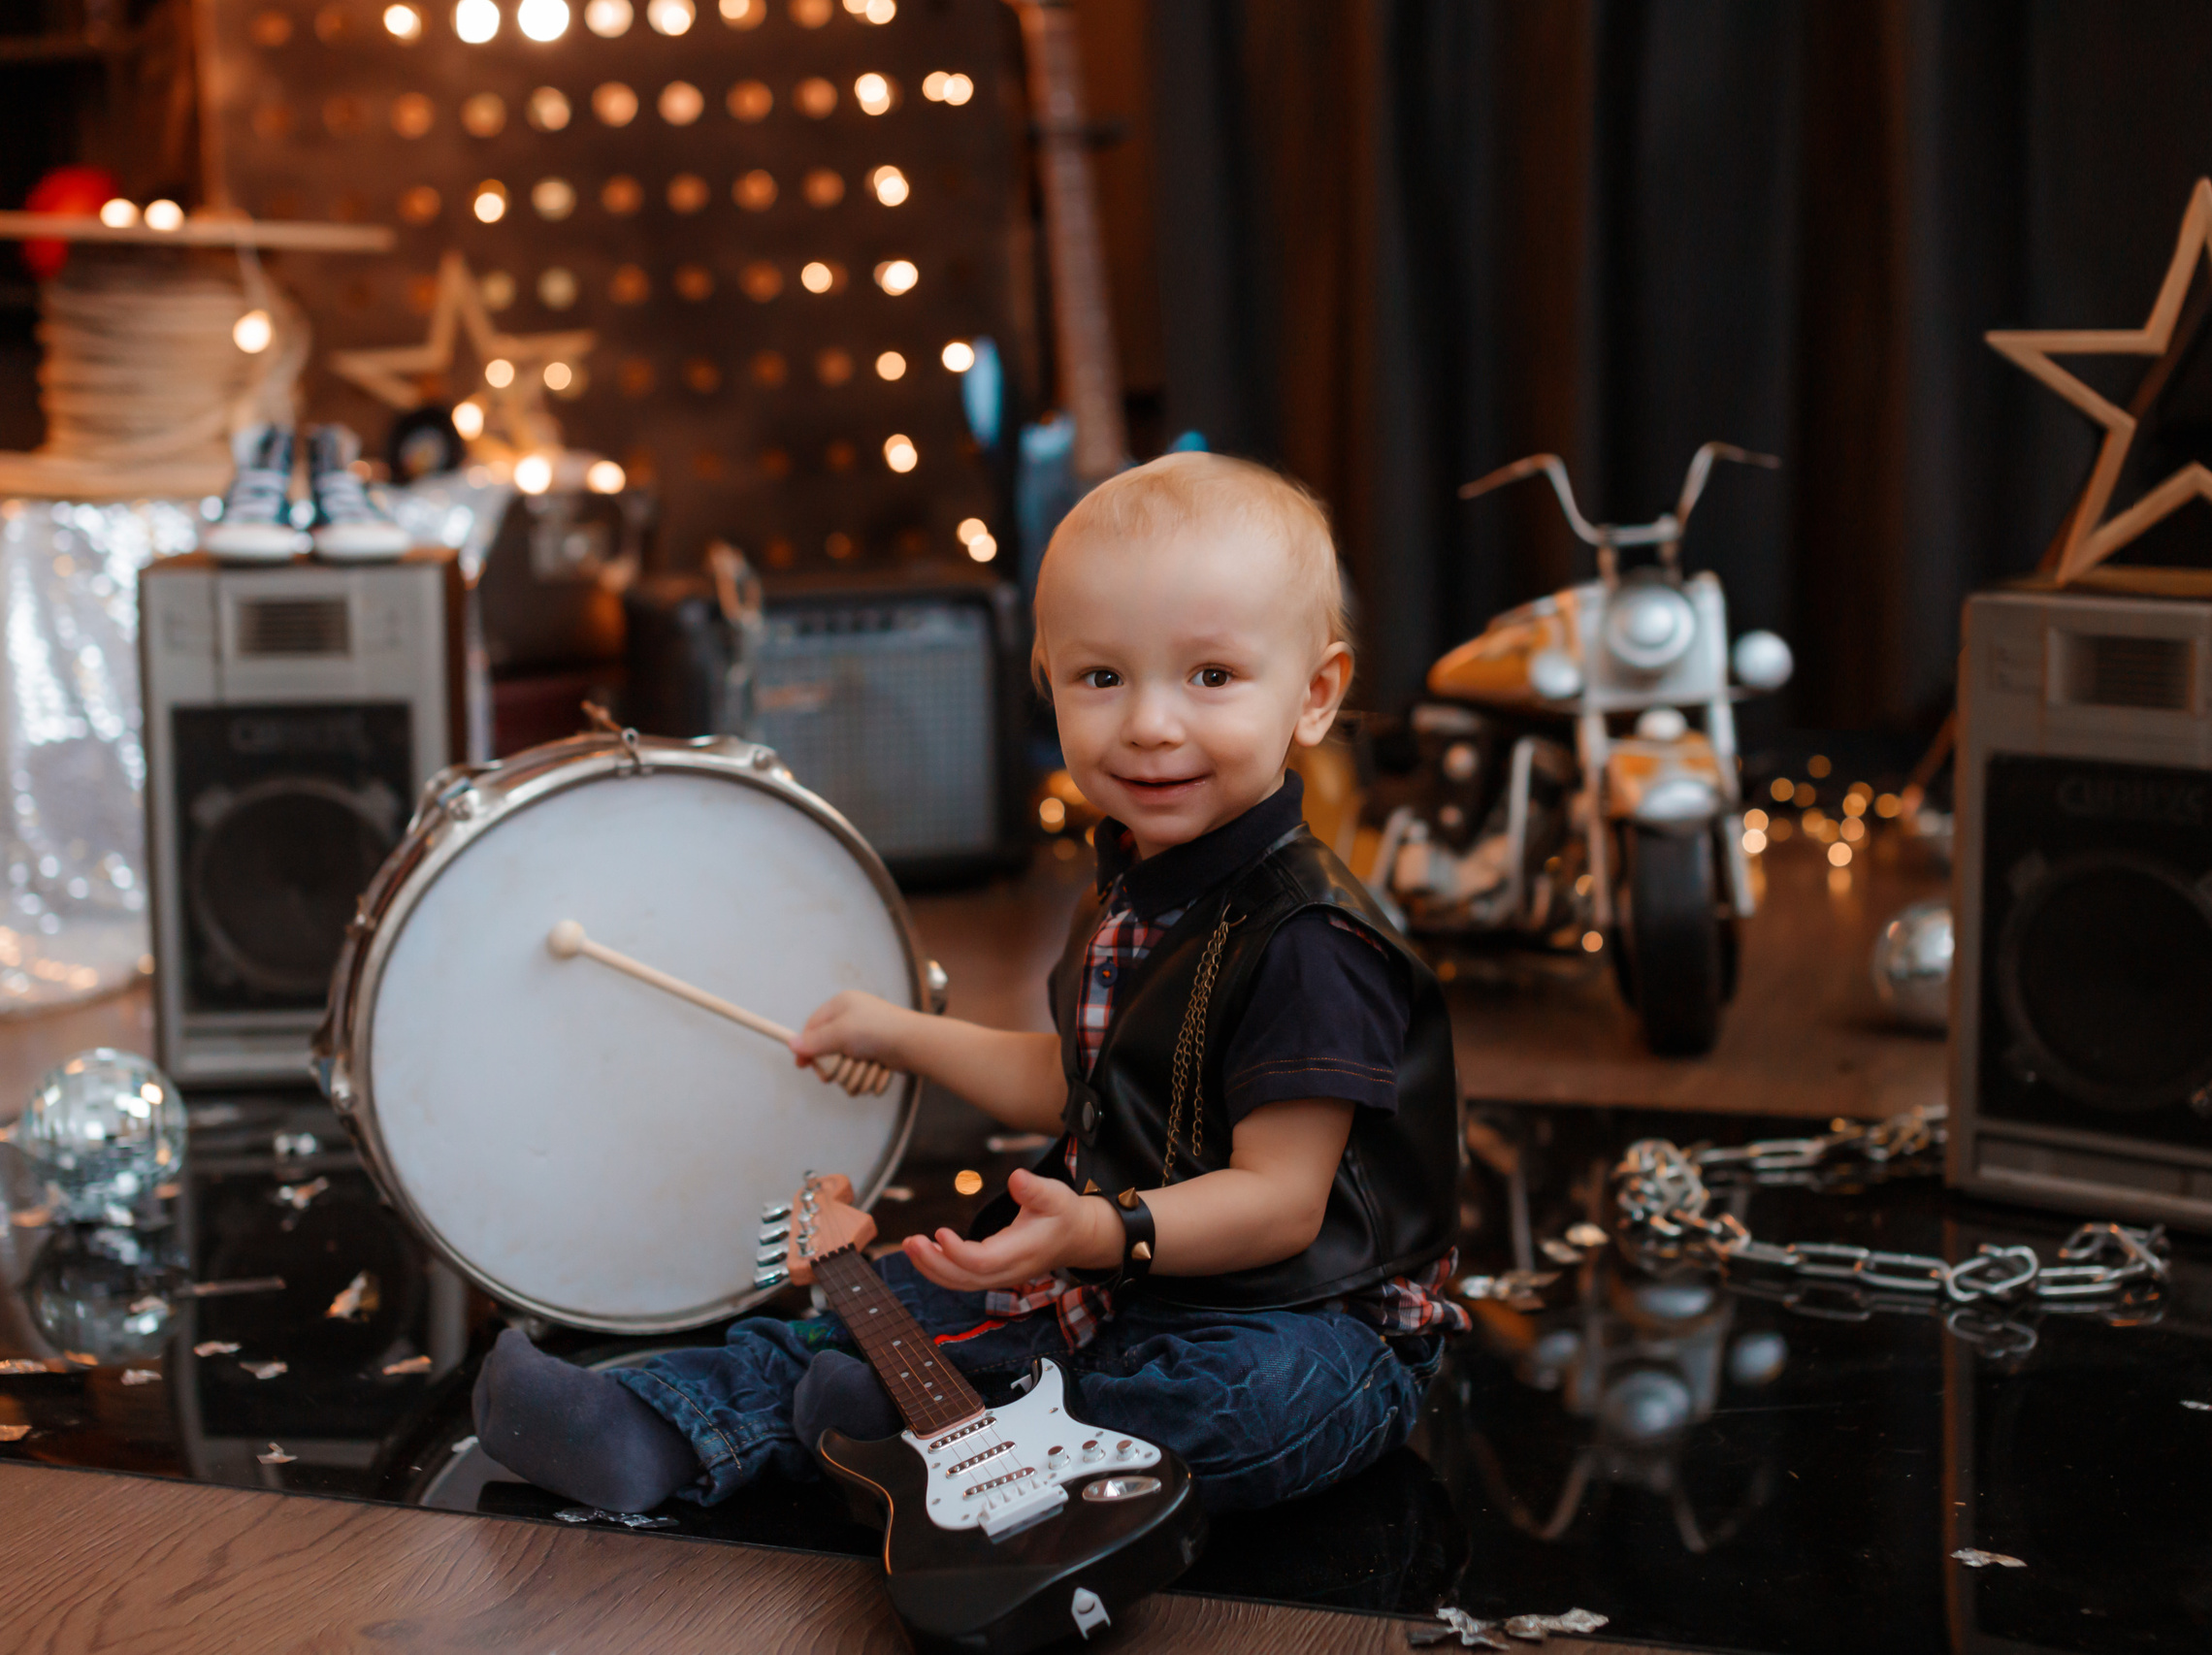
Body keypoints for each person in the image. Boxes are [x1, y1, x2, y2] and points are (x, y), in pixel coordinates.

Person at [472, 452, 1466, 1516]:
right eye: (1102, 677)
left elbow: (1278, 1203)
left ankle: (937, 1429)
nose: (1150, 723)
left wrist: (1101, 1230)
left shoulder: (1313, 940)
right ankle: (666, 1423)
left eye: (1210, 676)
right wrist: (900, 1031)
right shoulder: (1130, 890)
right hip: (1127, 1269)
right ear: (1047, 677)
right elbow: (1080, 1082)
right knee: (894, 1295)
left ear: (1314, 695)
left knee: (1238, 1401)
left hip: (1303, 1314)